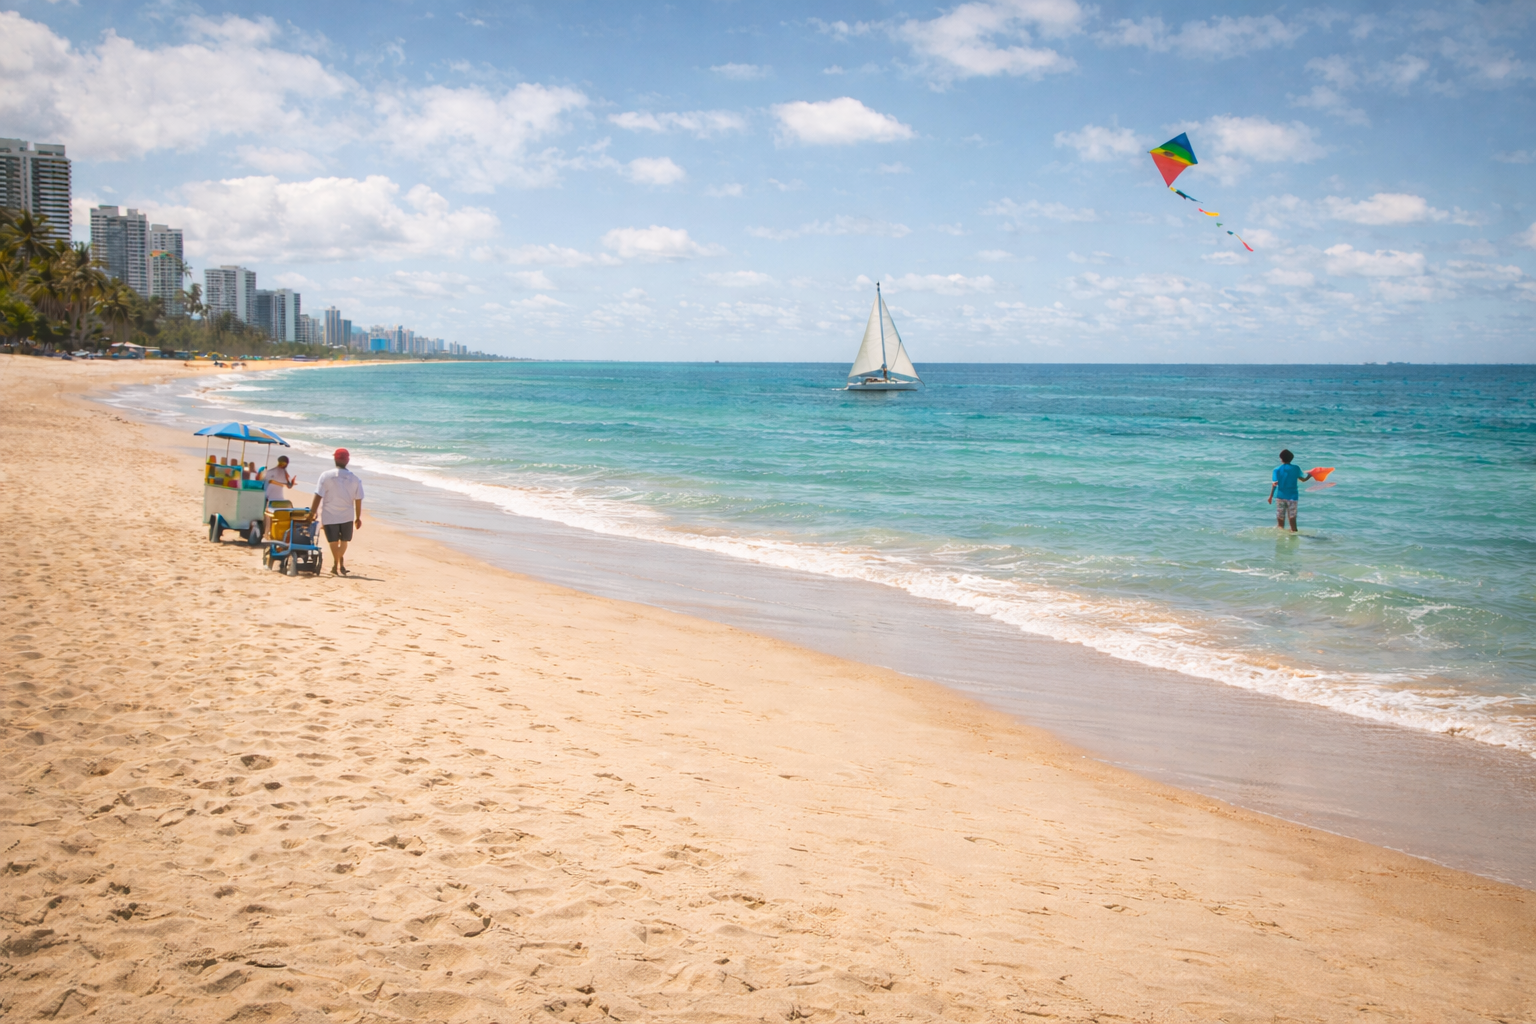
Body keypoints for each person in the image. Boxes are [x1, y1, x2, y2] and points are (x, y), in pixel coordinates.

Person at [310, 448, 364, 575]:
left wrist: (312, 512)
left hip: (329, 516)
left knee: (333, 542)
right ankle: (339, 564)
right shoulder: (355, 479)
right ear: (348, 460)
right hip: (347, 516)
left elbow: (318, 495)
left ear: (335, 459)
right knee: (344, 542)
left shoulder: (326, 476)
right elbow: (358, 499)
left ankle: (337, 564)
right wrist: (358, 517)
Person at [1268, 449, 1313, 532]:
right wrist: (1310, 475)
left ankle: (1280, 540)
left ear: (1281, 458)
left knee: (1280, 524)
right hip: (1293, 497)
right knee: (1293, 523)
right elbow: (1303, 479)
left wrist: (1271, 496)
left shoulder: (1277, 470)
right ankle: (1294, 540)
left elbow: (1274, 484)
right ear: (1291, 458)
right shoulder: (1296, 468)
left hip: (1280, 497)